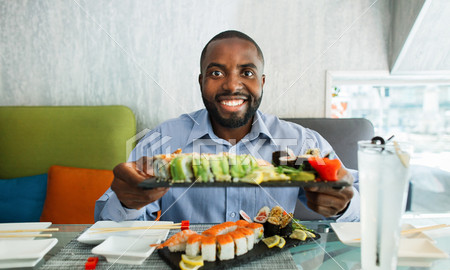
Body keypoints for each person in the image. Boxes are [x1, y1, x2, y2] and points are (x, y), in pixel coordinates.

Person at [95, 30, 359, 223]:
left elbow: (365, 213)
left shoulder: (303, 144)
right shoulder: (162, 140)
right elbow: (108, 228)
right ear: (201, 81)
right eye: (217, 73)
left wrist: (342, 207)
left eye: (247, 73)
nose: (232, 86)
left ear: (262, 82)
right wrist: (127, 203)